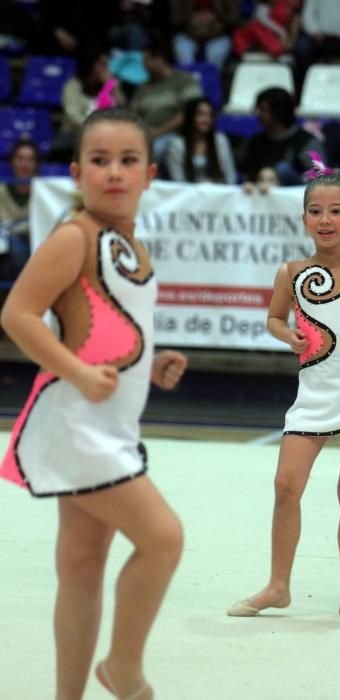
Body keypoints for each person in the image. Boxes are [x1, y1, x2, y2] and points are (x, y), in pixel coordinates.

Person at [0, 107, 188, 700]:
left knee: (81, 568)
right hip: (78, 423)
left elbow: (114, 321)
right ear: (78, 172)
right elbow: (17, 315)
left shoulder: (129, 242)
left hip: (105, 419)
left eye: (127, 161)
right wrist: (78, 373)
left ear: (149, 174)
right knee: (163, 538)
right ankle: (123, 669)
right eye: (100, 161)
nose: (114, 172)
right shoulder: (75, 236)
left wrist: (150, 362)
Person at [227, 163, 340, 622]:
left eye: (337, 211)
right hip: (315, 392)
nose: (326, 220)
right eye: (316, 211)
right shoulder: (293, 272)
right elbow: (274, 319)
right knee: (286, 484)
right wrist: (289, 337)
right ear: (304, 219)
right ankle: (278, 587)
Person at [130, 34, 203, 163]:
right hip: (145, 135)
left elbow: (191, 112)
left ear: (159, 59)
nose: (143, 65)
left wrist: (158, 131)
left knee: (155, 149)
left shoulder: (185, 81)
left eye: (146, 60)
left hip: (175, 134)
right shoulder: (143, 87)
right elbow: (133, 115)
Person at [50, 45, 126, 163]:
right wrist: (94, 130)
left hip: (107, 136)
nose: (106, 69)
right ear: (91, 65)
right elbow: (73, 115)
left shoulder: (110, 86)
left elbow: (123, 110)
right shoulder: (72, 86)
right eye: (102, 64)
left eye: (107, 65)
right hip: (74, 134)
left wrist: (112, 87)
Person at [239, 87, 327, 186]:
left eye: (263, 110)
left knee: (282, 170)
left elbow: (319, 179)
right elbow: (245, 174)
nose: (258, 114)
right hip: (259, 195)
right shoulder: (255, 141)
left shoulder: (306, 141)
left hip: (296, 196)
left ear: (279, 112)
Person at [164, 97, 237, 183]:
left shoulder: (220, 140)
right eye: (201, 114)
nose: (206, 120)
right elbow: (178, 181)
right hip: (187, 194)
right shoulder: (177, 144)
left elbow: (230, 176)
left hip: (217, 192)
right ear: (190, 117)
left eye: (210, 115)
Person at [0, 139, 40, 281]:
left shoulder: (44, 192)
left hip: (37, 242)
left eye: (30, 159)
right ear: (12, 162)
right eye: (20, 158)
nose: (25, 164)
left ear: (36, 164)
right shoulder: (2, 190)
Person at [171, 0, 240, 71]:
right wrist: (191, 17)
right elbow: (175, 20)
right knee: (184, 54)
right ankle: (188, 81)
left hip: (218, 36)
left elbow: (234, 20)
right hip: (188, 35)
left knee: (216, 55)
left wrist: (215, 16)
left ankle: (210, 81)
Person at [232, 0, 301, 59]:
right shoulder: (265, 5)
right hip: (260, 35)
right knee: (255, 28)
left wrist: (288, 39)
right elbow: (261, 17)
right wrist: (281, 33)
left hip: (279, 38)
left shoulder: (291, 6)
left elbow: (294, 24)